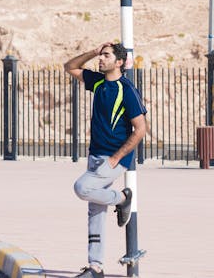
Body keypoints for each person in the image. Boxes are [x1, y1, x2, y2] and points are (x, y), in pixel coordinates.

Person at [64, 42, 147, 278]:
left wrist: (117, 157)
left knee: (82, 187)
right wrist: (92, 51)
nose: (100, 60)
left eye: (106, 56)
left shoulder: (127, 89)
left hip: (113, 159)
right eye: (100, 56)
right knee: (95, 212)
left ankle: (122, 198)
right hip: (94, 154)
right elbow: (69, 66)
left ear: (119, 62)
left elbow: (140, 129)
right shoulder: (98, 82)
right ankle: (96, 266)